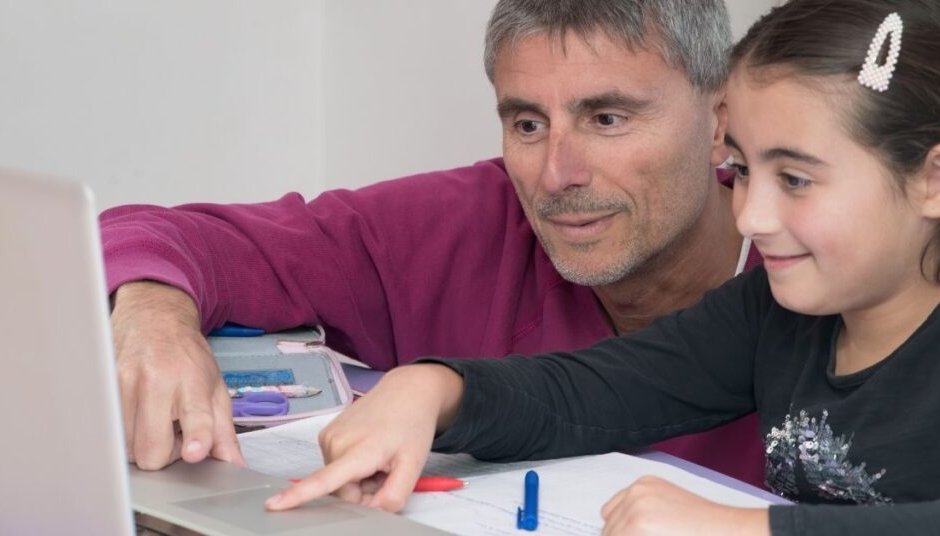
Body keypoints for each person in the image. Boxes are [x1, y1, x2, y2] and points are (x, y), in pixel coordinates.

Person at [265, 0, 940, 533]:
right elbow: (599, 392)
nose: (751, 217)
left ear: (936, 181)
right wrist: (438, 390)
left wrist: (746, 529)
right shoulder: (772, 312)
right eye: (742, 171)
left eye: (796, 180)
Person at [101, 0, 766, 486]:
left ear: (720, 125)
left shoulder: (812, 274)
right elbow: (164, 236)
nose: (557, 175)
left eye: (608, 118)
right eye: (528, 123)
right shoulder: (464, 223)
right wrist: (153, 318)